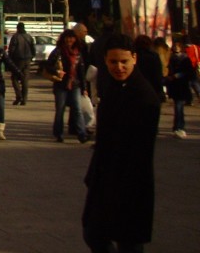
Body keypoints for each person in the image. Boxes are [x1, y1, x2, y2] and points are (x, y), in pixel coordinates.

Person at [82, 34, 161, 253]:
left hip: (130, 184)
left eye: (124, 61)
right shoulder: (114, 86)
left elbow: (141, 151)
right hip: (106, 178)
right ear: (105, 61)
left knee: (127, 241)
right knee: (94, 234)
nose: (119, 67)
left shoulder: (144, 97)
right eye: (113, 62)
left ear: (134, 58)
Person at [44, 29, 88, 143]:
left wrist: (84, 88)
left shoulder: (78, 53)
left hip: (75, 84)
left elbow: (81, 71)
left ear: (75, 39)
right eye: (67, 37)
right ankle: (58, 133)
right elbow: (48, 66)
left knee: (77, 109)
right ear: (63, 39)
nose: (69, 40)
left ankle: (82, 133)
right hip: (61, 84)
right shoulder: (58, 51)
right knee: (60, 109)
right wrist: (57, 71)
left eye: (72, 38)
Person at [166, 38, 196, 138]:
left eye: (178, 46)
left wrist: (177, 75)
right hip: (174, 86)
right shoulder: (171, 57)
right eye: (175, 46)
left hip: (182, 85)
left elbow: (189, 72)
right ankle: (177, 127)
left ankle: (179, 127)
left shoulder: (185, 58)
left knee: (179, 107)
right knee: (178, 107)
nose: (176, 48)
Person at [7, 22, 35, 105]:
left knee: (15, 78)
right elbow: (33, 48)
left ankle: (19, 96)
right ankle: (24, 99)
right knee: (25, 80)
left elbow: (11, 49)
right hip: (27, 59)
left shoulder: (15, 37)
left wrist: (10, 60)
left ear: (17, 28)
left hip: (17, 60)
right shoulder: (29, 37)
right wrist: (31, 57)